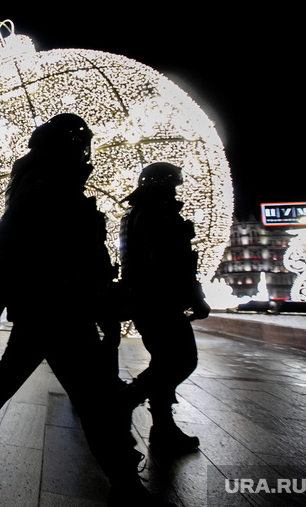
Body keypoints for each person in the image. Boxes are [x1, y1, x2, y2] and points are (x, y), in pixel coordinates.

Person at [0, 114, 171, 506]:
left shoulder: (53, 186)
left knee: (10, 377)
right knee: (95, 395)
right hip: (58, 307)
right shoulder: (47, 188)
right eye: (79, 144)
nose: (85, 152)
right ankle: (125, 481)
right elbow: (10, 239)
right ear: (65, 148)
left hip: (54, 307)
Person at [118, 162, 211, 456]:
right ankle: (124, 403)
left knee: (165, 361)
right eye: (173, 185)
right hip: (159, 299)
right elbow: (171, 261)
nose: (175, 190)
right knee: (181, 360)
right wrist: (195, 297)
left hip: (147, 298)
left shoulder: (137, 212)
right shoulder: (157, 213)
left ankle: (163, 428)